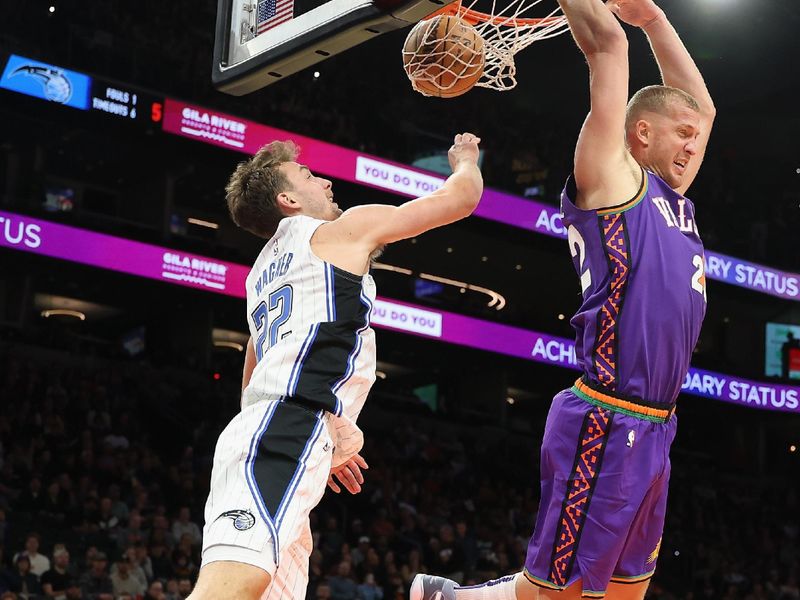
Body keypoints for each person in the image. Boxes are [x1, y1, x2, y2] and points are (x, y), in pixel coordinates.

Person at [412, 0, 715, 599]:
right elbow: (606, 45)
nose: (692, 145)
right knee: (557, 593)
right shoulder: (611, 175)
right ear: (640, 132)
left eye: (694, 138)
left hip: (657, 425)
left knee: (627, 592)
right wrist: (624, 28)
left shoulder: (673, 201)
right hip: (605, 413)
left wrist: (654, 20)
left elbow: (701, 107)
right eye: (680, 134)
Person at [188, 133, 483, 600]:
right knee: (229, 590)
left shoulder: (260, 273)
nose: (324, 181)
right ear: (288, 199)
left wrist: (322, 435)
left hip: (273, 430)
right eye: (307, 176)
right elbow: (460, 199)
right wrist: (466, 160)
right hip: (282, 431)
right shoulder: (338, 231)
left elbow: (255, 362)